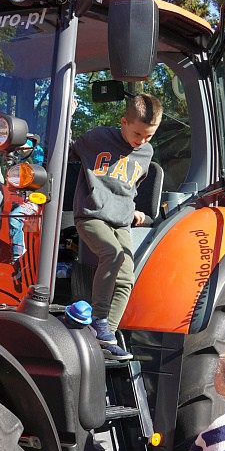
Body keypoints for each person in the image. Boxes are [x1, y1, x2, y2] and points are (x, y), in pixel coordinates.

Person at [72, 93, 163, 361]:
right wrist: (67, 114)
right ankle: (98, 319)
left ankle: (105, 335)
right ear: (123, 122)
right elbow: (65, 149)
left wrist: (131, 209)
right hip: (91, 215)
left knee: (126, 278)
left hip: (121, 220)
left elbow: (128, 187)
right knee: (112, 254)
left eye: (149, 135)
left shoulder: (146, 152)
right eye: (138, 134)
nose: (142, 141)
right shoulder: (97, 139)